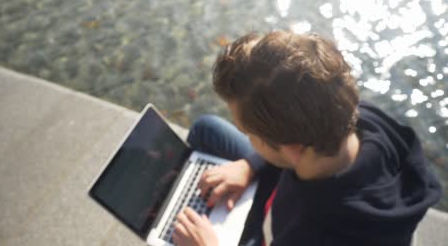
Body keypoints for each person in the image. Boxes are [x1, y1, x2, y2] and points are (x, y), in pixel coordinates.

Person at [171, 31, 442, 246]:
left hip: (274, 231)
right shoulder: (357, 117)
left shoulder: (314, 234)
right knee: (206, 128)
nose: (247, 137)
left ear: (291, 150)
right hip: (283, 194)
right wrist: (251, 165)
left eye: (249, 134)